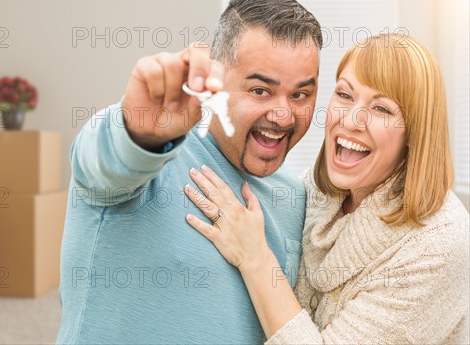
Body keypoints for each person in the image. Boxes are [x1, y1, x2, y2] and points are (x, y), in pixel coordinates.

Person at [56, 0, 322, 344]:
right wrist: (140, 132)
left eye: (300, 95)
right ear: (216, 81)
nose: (283, 115)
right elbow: (102, 161)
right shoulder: (149, 165)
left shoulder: (296, 197)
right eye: (260, 91)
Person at [185, 33, 470, 344]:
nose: (350, 120)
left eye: (382, 109)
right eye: (345, 95)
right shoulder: (318, 192)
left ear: (416, 134)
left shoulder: (439, 245)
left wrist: (255, 258)